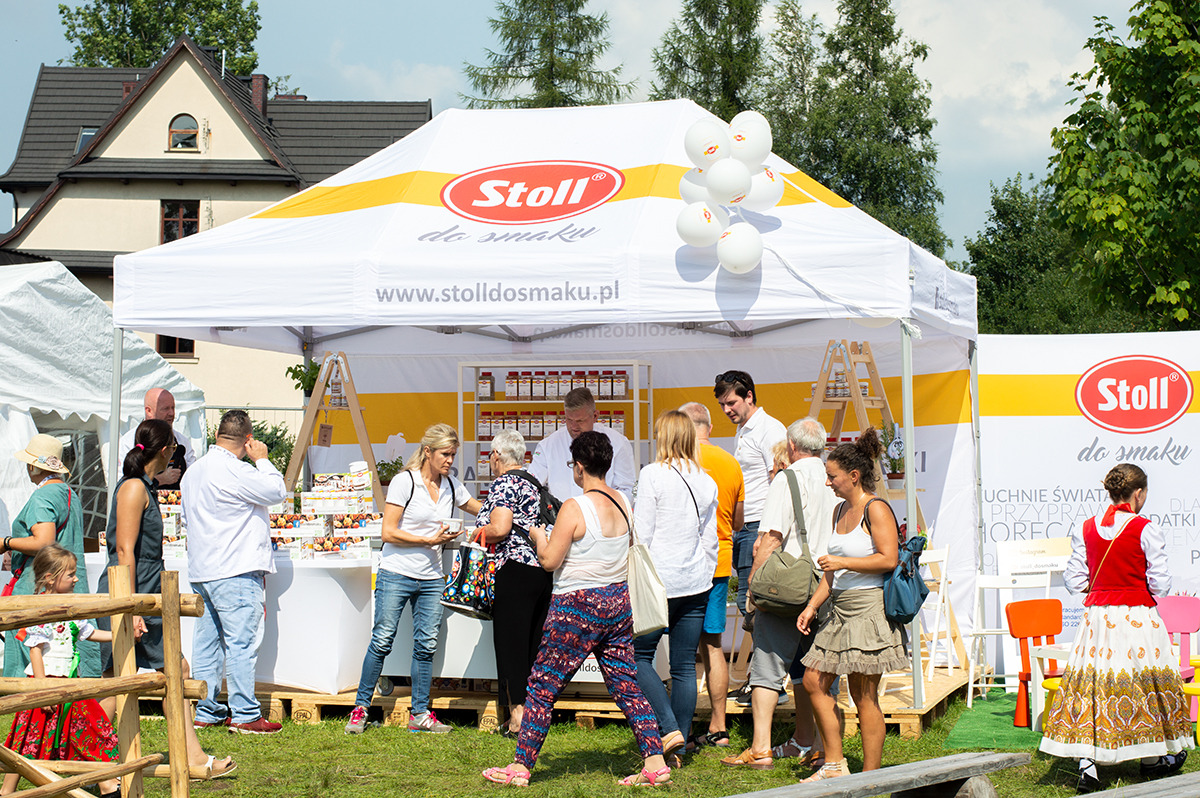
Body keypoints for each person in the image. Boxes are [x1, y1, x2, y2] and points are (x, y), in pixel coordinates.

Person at [482, 432, 669, 787]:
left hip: (577, 606)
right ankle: (655, 762)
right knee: (626, 685)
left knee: (541, 685)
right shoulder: (623, 503)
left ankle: (521, 768)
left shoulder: (575, 506)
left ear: (580, 467)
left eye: (573, 466)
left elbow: (550, 561)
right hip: (616, 603)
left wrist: (539, 536)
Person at [1040, 463, 1192, 793]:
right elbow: (1161, 584)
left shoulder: (1088, 528)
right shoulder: (1145, 528)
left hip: (1099, 619)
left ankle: (1088, 767)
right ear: (1138, 493)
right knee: (1142, 683)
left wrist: (1103, 588)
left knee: (1094, 685)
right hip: (1137, 616)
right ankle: (1151, 759)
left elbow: (1074, 580)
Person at [96, 419, 235, 777]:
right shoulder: (132, 489)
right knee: (155, 675)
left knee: (149, 676)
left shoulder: (145, 486)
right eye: (174, 449)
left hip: (144, 593)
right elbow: (124, 550)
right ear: (164, 451)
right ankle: (69, 746)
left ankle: (69, 746)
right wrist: (129, 607)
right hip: (131, 594)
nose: (176, 456)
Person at [345, 423, 480, 735]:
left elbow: (478, 507)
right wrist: (428, 540)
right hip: (397, 573)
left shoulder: (450, 485)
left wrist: (503, 510)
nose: (450, 460)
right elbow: (388, 531)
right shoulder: (405, 482)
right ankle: (360, 708)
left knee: (426, 645)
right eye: (445, 454)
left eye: (453, 454)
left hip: (432, 577)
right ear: (428, 451)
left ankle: (420, 713)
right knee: (382, 640)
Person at [721, 418, 837, 771]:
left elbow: (771, 538)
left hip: (789, 585)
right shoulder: (835, 478)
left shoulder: (788, 479)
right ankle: (816, 744)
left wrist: (753, 587)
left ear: (791, 446)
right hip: (827, 582)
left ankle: (760, 747)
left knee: (768, 666)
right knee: (816, 667)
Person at [796, 429, 906, 782]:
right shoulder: (839, 510)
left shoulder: (876, 508)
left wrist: (843, 564)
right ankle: (835, 764)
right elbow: (831, 572)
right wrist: (812, 606)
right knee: (813, 679)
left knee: (864, 694)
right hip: (838, 610)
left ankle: (869, 778)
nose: (828, 483)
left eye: (832, 477)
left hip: (869, 609)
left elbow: (888, 559)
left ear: (854, 476)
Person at [182, 409, 289, 735]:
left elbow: (187, 520)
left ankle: (207, 709)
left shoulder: (194, 472)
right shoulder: (235, 469)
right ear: (247, 438)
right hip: (235, 568)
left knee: (207, 643)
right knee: (241, 642)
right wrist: (263, 459)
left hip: (203, 567)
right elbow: (277, 492)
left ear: (217, 434)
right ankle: (244, 713)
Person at [632, 410, 719, 764]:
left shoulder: (653, 474)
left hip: (658, 581)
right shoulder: (705, 479)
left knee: (637, 656)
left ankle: (669, 729)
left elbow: (643, 533)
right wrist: (705, 571)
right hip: (696, 580)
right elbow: (710, 538)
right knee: (684, 665)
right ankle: (679, 745)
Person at [1, 544, 121, 798]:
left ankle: (107, 784)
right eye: (71, 574)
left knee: (92, 726)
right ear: (50, 579)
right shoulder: (42, 609)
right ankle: (6, 791)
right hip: (48, 682)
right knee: (27, 739)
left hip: (69, 683)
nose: (77, 578)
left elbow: (88, 632)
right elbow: (35, 649)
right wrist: (43, 689)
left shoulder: (71, 607)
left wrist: (118, 636)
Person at [473, 429, 553, 738]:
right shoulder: (535, 484)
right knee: (532, 646)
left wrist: (475, 533)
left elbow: (501, 527)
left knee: (510, 646)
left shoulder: (504, 483)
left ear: (496, 457)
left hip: (514, 570)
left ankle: (519, 717)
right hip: (540, 572)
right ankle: (531, 714)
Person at [3, 433, 97, 679]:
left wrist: (6, 543)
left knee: (34, 655)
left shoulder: (43, 495)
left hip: (42, 586)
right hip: (67, 584)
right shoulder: (67, 492)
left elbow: (44, 541)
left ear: (33, 465)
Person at [679, 401, 744, 749]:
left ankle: (682, 727)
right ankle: (719, 725)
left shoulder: (679, 463)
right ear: (709, 427)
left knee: (685, 649)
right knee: (713, 645)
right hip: (720, 561)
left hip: (687, 565)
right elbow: (737, 521)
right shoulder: (730, 462)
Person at [713, 370, 786, 626]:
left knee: (751, 600)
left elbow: (781, 481)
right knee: (752, 601)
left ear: (749, 397)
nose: (726, 410)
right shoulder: (745, 429)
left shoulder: (770, 428)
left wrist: (764, 533)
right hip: (746, 526)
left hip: (759, 526)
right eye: (722, 404)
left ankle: (775, 664)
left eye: (731, 402)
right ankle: (774, 664)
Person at [528, 387, 636, 504]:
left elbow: (626, 489)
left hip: (603, 515)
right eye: (569, 420)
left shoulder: (618, 443)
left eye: (580, 421)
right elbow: (531, 484)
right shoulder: (548, 445)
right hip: (560, 516)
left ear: (595, 416)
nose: (574, 427)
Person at [116, 388, 195, 490]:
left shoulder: (182, 440)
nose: (171, 413)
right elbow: (122, 483)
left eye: (173, 408)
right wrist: (160, 479)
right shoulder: (128, 441)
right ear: (149, 411)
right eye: (165, 408)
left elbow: (193, 476)